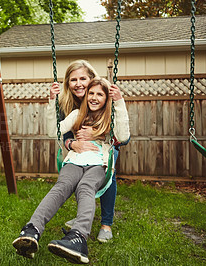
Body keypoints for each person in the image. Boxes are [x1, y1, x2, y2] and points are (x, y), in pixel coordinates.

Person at [12, 77, 130, 264]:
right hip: (75, 160)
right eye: (91, 93)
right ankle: (32, 230)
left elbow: (123, 137)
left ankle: (78, 238)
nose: (94, 97)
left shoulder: (111, 117)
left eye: (100, 94)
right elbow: (55, 132)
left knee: (85, 187)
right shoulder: (77, 114)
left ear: (107, 98)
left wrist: (119, 102)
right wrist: (52, 102)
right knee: (62, 186)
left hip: (99, 163)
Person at [52, 59, 128, 243]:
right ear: (67, 83)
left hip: (106, 146)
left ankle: (106, 224)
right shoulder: (66, 104)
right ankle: (83, 217)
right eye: (73, 80)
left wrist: (97, 133)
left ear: (92, 79)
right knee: (78, 175)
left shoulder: (104, 95)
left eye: (83, 79)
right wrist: (72, 144)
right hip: (81, 148)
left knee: (107, 173)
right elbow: (64, 134)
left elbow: (123, 137)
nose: (78, 84)